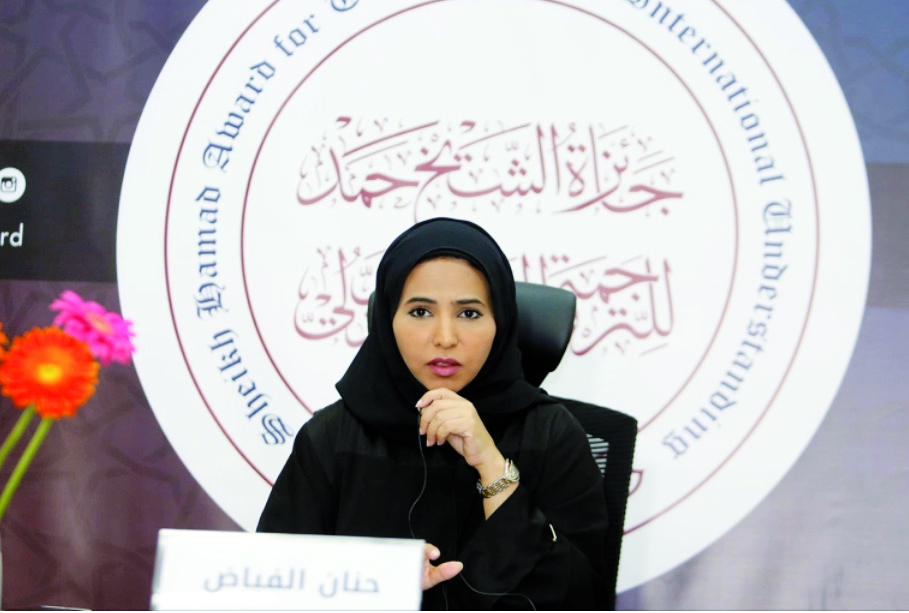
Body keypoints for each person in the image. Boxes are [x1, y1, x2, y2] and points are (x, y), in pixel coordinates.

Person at [257, 218, 609, 609]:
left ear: (502, 322)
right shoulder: (331, 439)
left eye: (470, 313)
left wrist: (492, 465)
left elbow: (584, 600)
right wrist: (376, 580)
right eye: (421, 311)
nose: (445, 336)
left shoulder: (551, 435)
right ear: (388, 320)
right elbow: (273, 588)